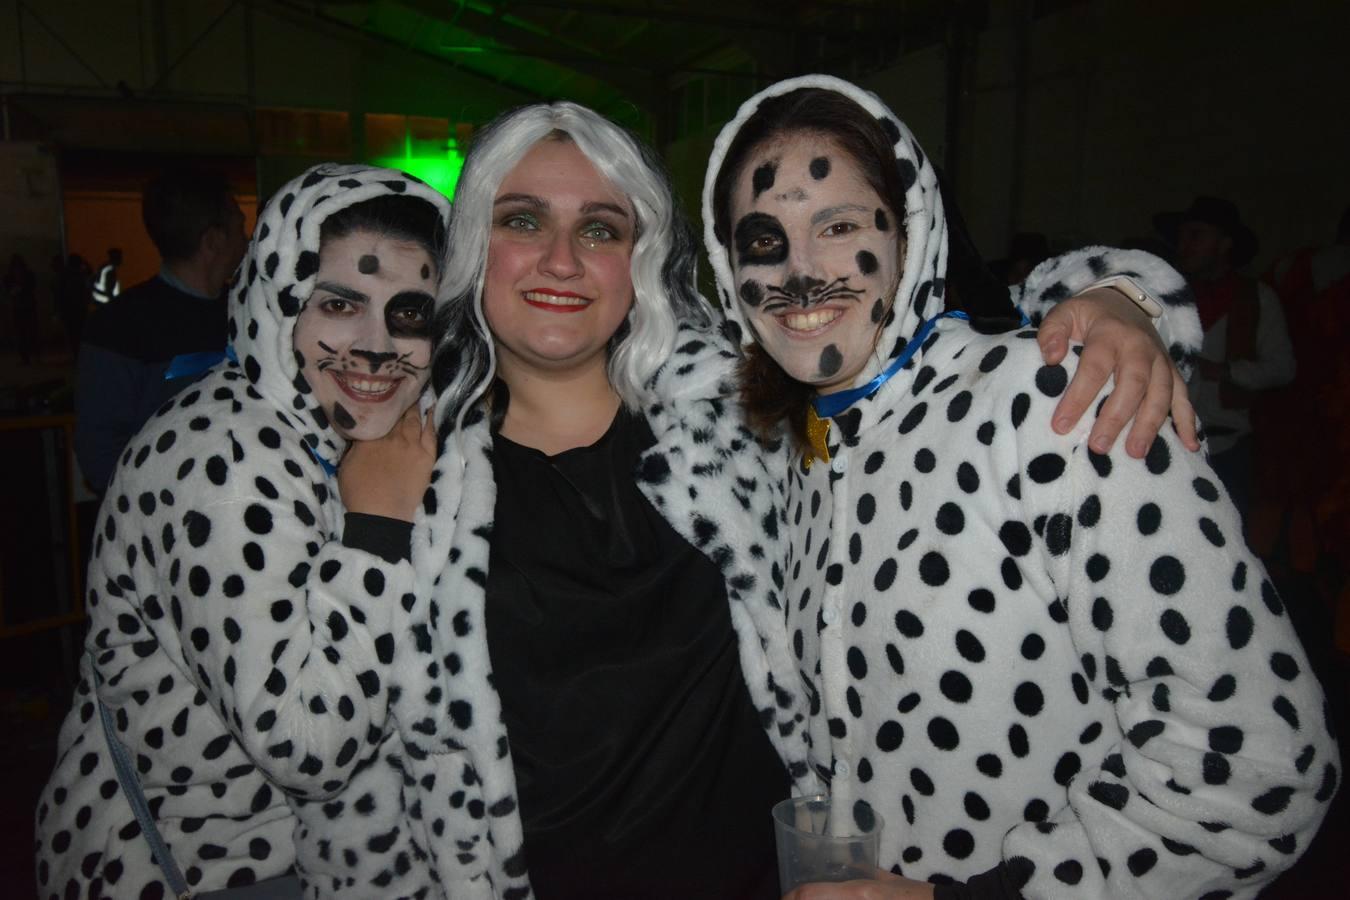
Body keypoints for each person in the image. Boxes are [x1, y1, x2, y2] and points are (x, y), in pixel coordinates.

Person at [394, 98, 1204, 899]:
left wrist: (1121, 297)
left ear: (641, 257)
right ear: (474, 243)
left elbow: (938, 324)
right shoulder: (416, 476)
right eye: (524, 221)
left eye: (601, 228)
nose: (563, 260)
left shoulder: (742, 415)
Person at [702, 74, 1336, 899]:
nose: (800, 275)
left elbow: (1263, 769)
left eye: (840, 224)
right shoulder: (800, 452)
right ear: (729, 272)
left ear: (911, 231)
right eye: (763, 242)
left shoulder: (1047, 400)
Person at [35, 165, 451, 899]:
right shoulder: (222, 460)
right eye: (340, 304)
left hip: (306, 862)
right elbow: (307, 746)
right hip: (200, 868)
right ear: (278, 302)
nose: (377, 347)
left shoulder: (347, 434)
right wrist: (377, 531)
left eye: (411, 313)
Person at [75, 169, 248, 493]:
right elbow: (100, 453)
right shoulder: (118, 327)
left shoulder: (248, 314)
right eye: (240, 226)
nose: (247, 238)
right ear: (213, 240)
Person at [1155, 195, 1295, 520]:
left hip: (1228, 450)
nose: (1184, 245)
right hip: (1166, 444)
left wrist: (1227, 372)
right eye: (1182, 236)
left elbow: (1283, 367)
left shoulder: (1257, 299)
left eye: (1196, 235)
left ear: (1224, 244)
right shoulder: (1168, 295)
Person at [3, 253, 39, 363]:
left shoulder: (11, 276)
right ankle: (29, 355)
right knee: (25, 332)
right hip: (23, 306)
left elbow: (10, 290)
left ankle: (29, 355)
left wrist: (17, 290)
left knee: (25, 332)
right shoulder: (25, 275)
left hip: (23, 306)